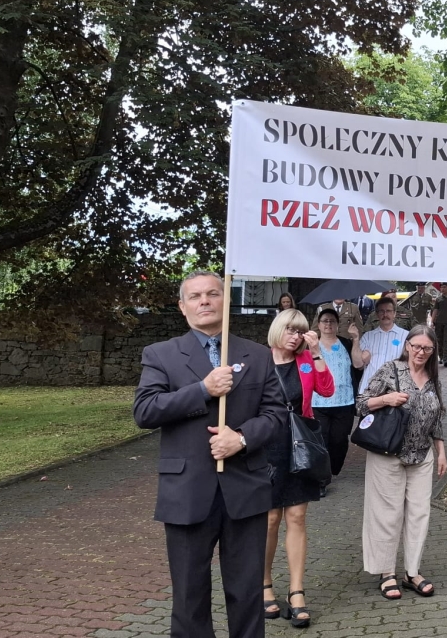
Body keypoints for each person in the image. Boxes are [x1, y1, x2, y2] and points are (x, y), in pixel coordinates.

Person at [133, 271, 283, 638]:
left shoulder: (257, 355)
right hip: (186, 491)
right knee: (189, 595)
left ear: (225, 301)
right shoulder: (161, 354)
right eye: (195, 296)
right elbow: (146, 411)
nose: (204, 301)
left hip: (245, 487)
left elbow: (277, 415)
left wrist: (241, 439)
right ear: (183, 307)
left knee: (247, 592)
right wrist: (202, 389)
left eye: (213, 294)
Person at [355, 325, 447, 600]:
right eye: (416, 346)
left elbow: (437, 418)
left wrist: (441, 451)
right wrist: (387, 399)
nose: (421, 352)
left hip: (421, 455)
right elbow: (361, 403)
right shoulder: (390, 370)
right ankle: (386, 572)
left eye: (427, 348)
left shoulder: (433, 377)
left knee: (419, 514)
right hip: (389, 453)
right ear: (407, 345)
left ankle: (412, 571)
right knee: (388, 514)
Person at [261, 308, 335, 629]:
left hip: (298, 446)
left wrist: (317, 352)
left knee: (297, 517)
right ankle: (264, 584)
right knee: (270, 520)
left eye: (301, 331)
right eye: (290, 329)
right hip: (266, 448)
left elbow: (327, 390)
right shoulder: (258, 361)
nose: (295, 336)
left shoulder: (305, 360)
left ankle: (296, 591)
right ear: (278, 329)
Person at [312, 307, 364, 485]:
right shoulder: (311, 346)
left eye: (332, 321)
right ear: (319, 324)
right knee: (321, 441)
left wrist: (355, 339)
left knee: (339, 440)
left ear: (337, 324)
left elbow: (358, 364)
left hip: (344, 401)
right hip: (318, 403)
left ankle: (332, 469)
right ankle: (322, 478)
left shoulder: (345, 344)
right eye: (324, 321)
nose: (328, 324)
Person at [358, 296, 409, 394]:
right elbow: (359, 365)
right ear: (377, 314)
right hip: (369, 388)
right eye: (381, 311)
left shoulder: (406, 336)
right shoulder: (368, 336)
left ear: (394, 313)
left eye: (388, 311)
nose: (385, 314)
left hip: (395, 389)